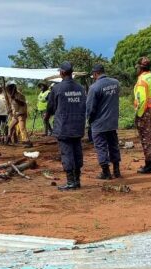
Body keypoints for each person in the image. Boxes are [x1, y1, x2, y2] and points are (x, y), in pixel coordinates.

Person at [44, 61, 87, 191]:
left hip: (64, 127)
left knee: (67, 153)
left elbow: (51, 107)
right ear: (71, 72)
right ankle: (77, 180)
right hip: (78, 126)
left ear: (62, 72)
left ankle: (70, 182)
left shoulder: (57, 88)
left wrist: (46, 118)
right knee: (77, 152)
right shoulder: (80, 88)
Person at [86, 64, 121, 179]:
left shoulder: (94, 87)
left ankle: (106, 172)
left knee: (101, 147)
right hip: (112, 122)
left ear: (95, 74)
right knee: (113, 145)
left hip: (99, 123)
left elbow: (90, 108)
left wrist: (89, 120)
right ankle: (117, 171)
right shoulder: (116, 83)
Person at [134, 57, 151, 174]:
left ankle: (149, 164)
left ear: (140, 68)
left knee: (146, 138)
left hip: (145, 111)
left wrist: (138, 115)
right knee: (150, 136)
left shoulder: (142, 80)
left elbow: (141, 100)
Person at [6, 81, 32, 148]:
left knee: (22, 128)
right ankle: (9, 139)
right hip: (15, 115)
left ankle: (27, 142)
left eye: (9, 90)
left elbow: (22, 103)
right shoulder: (11, 97)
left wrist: (14, 99)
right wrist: (10, 110)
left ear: (12, 89)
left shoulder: (20, 95)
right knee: (11, 127)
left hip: (21, 114)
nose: (8, 91)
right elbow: (13, 106)